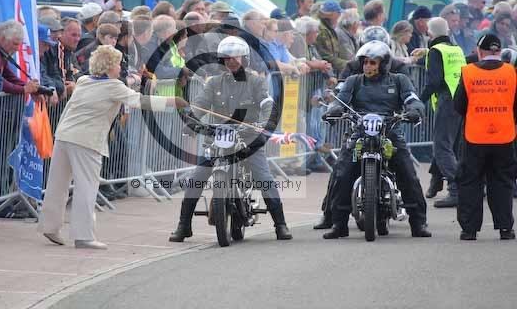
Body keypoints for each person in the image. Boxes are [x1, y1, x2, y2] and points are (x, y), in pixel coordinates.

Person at [39, 45, 188, 249]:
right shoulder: (113, 86)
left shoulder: (84, 80)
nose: (120, 67)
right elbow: (140, 101)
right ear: (109, 66)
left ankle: (50, 226)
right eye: (118, 64)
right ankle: (83, 236)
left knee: (57, 184)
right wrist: (173, 101)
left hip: (64, 135)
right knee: (86, 188)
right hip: (87, 140)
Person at [169, 36, 293, 242]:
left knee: (264, 178)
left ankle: (280, 224)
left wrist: (264, 124)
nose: (231, 61)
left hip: (247, 138)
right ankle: (184, 226)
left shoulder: (256, 82)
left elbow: (267, 104)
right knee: (196, 178)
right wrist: (191, 121)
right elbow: (200, 104)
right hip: (218, 139)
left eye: (235, 57)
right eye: (227, 58)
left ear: (245, 59)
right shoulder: (214, 83)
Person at [321, 41, 431, 239]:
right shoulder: (353, 81)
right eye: (365, 62)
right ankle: (339, 224)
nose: (367, 66)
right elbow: (340, 100)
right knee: (342, 172)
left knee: (408, 173)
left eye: (372, 62)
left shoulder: (399, 80)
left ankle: (418, 223)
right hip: (359, 132)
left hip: (390, 132)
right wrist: (334, 110)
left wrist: (415, 110)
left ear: (384, 64)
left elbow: (412, 99)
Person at [453, 34, 517, 241]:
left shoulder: (468, 72)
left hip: (475, 136)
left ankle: (469, 230)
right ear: (499, 51)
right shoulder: (511, 72)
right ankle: (505, 228)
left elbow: (459, 105)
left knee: (470, 182)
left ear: (479, 51)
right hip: (504, 135)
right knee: (502, 182)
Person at [420, 17, 466, 208]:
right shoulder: (456, 49)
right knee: (450, 145)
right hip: (460, 100)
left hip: (446, 102)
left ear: (429, 33)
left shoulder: (435, 51)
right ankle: (436, 181)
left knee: (442, 147)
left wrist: (418, 100)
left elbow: (434, 81)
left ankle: (457, 189)